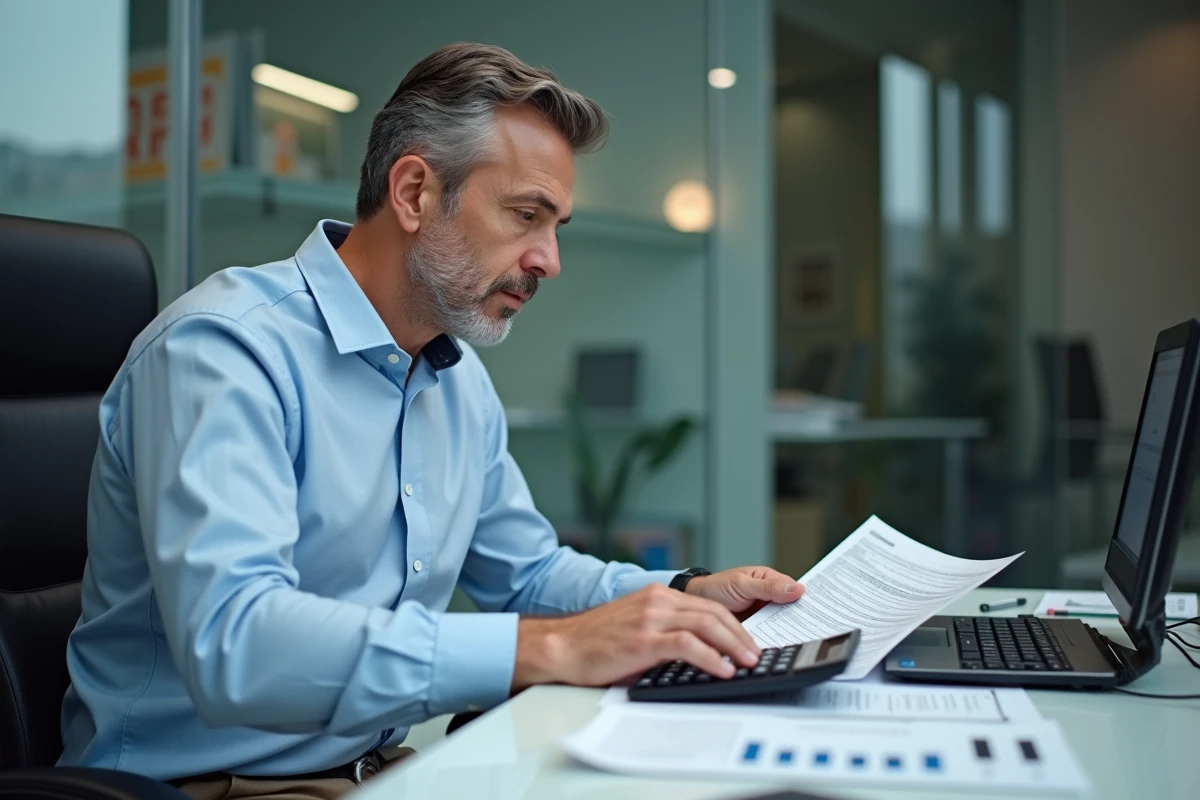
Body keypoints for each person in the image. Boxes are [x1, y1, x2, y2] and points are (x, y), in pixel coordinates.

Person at [59, 43, 803, 799]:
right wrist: (546, 650)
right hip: (207, 788)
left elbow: (527, 575)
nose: (548, 259)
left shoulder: (455, 380)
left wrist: (682, 594)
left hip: (381, 772)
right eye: (524, 216)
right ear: (414, 192)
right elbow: (237, 645)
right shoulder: (223, 353)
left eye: (556, 226)